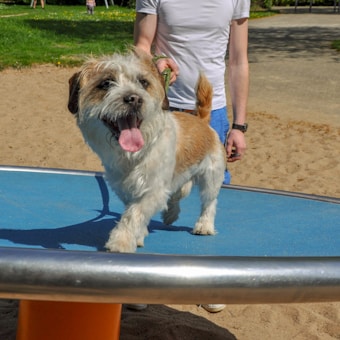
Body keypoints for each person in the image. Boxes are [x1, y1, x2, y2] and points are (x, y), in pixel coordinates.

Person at [132, 0, 250, 313]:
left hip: (214, 110)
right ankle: (144, 283)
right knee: (148, 187)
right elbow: (142, 44)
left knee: (209, 194)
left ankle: (205, 282)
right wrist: (153, 64)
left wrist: (239, 126)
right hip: (162, 107)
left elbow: (238, 60)